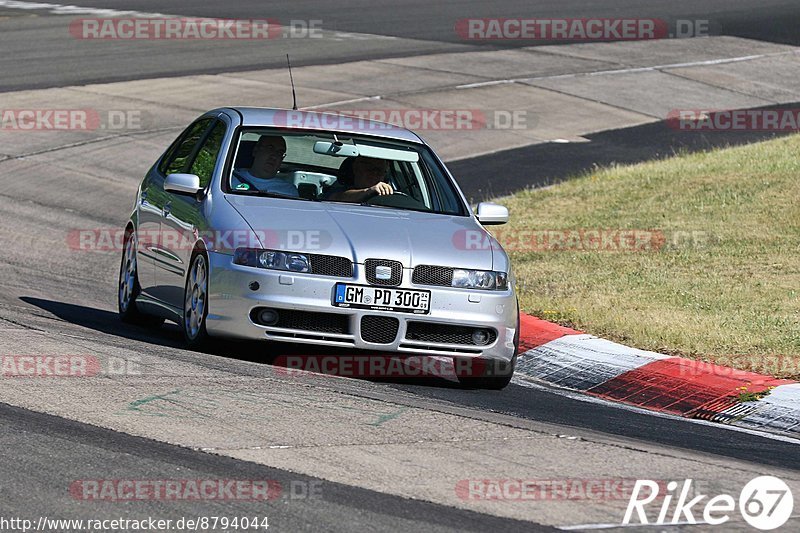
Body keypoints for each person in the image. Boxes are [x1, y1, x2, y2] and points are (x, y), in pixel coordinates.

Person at [232, 135, 299, 197]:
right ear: (256, 150)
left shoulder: (289, 191)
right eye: (270, 148)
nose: (274, 156)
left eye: (280, 152)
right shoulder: (230, 179)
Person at [325, 156, 392, 203]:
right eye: (369, 168)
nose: (375, 173)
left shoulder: (390, 195)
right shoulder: (338, 192)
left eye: (380, 170)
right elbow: (337, 198)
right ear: (355, 168)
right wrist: (369, 191)